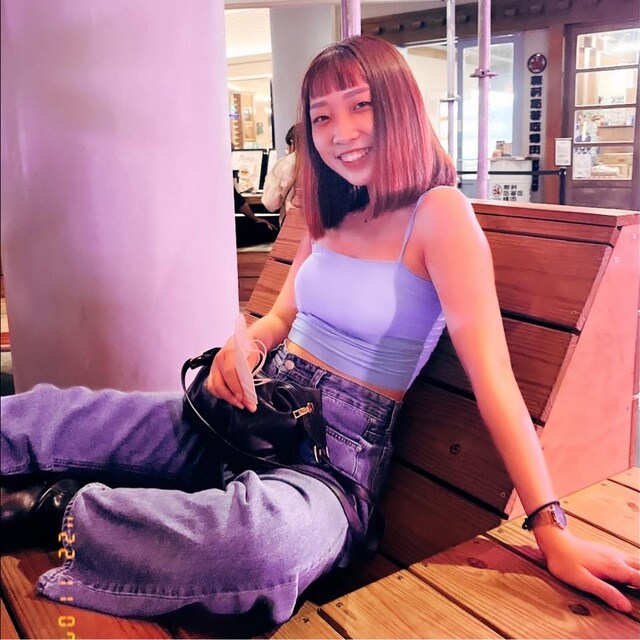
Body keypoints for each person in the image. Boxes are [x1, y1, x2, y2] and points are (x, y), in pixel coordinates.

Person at [1, 35, 638, 627]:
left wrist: (550, 528)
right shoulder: (329, 209)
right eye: (322, 116)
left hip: (332, 465)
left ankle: (54, 509)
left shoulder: (440, 214)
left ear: (400, 108)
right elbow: (281, 318)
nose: (342, 133)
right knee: (68, 414)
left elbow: (494, 378)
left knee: (265, 545)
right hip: (257, 408)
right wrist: (244, 348)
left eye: (361, 106)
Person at [261, 124, 300, 225]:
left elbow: (270, 203)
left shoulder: (289, 162)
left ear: (292, 141)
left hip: (295, 222)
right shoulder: (326, 159)